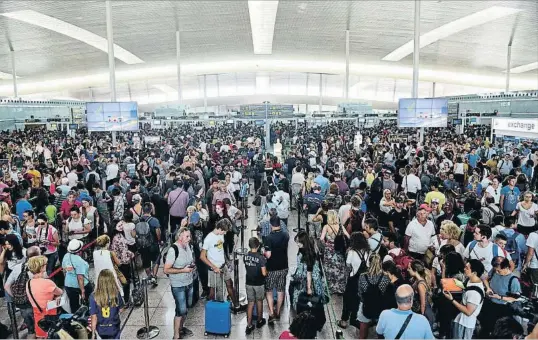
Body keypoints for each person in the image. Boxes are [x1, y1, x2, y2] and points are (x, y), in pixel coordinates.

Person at [200, 218, 244, 312]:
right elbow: (202, 256)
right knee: (215, 291)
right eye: (224, 232)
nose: (225, 233)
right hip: (214, 269)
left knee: (230, 284)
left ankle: (236, 306)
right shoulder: (209, 239)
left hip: (223, 266)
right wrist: (214, 267)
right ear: (220, 229)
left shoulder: (221, 236)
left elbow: (221, 250)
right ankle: (213, 310)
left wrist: (227, 261)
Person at [164, 227, 196, 339]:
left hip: (189, 282)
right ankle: (176, 335)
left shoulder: (187, 246)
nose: (189, 238)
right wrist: (183, 270)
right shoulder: (173, 250)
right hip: (178, 285)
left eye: (190, 236)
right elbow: (166, 269)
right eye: (187, 236)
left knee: (187, 307)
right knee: (180, 310)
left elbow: (190, 261)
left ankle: (181, 328)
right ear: (180, 236)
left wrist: (192, 266)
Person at [443, 259, 485, 339]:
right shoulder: (470, 280)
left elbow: (468, 312)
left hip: (465, 323)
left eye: (467, 268)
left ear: (474, 273)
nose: (464, 269)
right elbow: (465, 286)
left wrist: (452, 300)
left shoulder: (474, 293)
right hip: (459, 319)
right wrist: (454, 282)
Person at [4, 246, 41, 339]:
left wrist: (16, 296)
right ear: (37, 256)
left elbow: (7, 286)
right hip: (36, 303)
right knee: (41, 328)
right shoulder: (39, 268)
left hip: (22, 303)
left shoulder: (17, 267)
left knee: (31, 330)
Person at [26, 255, 63, 338]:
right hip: (49, 313)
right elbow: (60, 292)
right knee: (51, 335)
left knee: (40, 336)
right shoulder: (47, 283)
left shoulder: (28, 282)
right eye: (45, 264)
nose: (47, 265)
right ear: (42, 267)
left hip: (37, 315)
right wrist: (56, 297)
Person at [290, 231, 327, 310]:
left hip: (309, 278)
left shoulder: (308, 254)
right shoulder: (305, 248)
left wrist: (309, 288)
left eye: (298, 242)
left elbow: (309, 273)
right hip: (306, 275)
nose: (297, 244)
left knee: (308, 299)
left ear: (303, 242)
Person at [357, 253, 391, 339]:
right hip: (380, 308)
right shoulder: (386, 278)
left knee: (363, 329)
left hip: (366, 306)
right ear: (380, 263)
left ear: (369, 263)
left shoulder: (362, 276)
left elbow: (360, 293)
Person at [263, 215, 289, 324]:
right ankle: (278, 312)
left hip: (272, 267)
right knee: (280, 290)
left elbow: (268, 255)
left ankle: (271, 312)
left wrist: (263, 253)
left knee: (269, 290)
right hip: (283, 266)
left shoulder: (268, 238)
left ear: (271, 225)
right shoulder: (285, 235)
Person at [319, 210, 349, 294]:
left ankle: (331, 288)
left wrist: (326, 245)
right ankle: (340, 288)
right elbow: (348, 236)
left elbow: (321, 239)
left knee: (329, 269)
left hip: (329, 250)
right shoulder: (341, 226)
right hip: (339, 250)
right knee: (340, 268)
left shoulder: (326, 226)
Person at [90, 269, 125, 339]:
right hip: (114, 328)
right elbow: (121, 309)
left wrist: (93, 333)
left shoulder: (93, 296)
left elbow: (94, 317)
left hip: (101, 330)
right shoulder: (116, 294)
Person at [244, 237, 267, 334]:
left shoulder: (245, 256)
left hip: (248, 282)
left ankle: (249, 325)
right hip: (258, 283)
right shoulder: (260, 257)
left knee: (250, 303)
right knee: (259, 301)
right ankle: (259, 320)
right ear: (258, 246)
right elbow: (264, 273)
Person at [110, 220, 135, 304]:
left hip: (116, 262)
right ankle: (126, 300)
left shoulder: (114, 236)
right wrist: (129, 258)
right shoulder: (119, 238)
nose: (121, 226)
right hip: (122, 263)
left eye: (122, 225)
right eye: (119, 225)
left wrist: (129, 252)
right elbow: (124, 255)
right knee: (126, 282)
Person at [408, 260, 434, 326]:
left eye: (409, 268)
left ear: (415, 270)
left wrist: (422, 316)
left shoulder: (420, 284)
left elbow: (423, 303)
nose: (408, 270)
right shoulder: (417, 281)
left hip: (424, 313)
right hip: (420, 311)